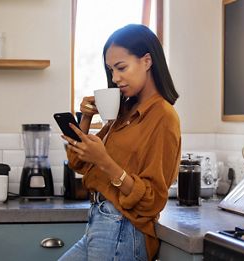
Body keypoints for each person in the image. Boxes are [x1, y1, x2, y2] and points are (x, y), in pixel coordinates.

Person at [59, 24, 181, 261]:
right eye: (110, 70)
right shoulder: (123, 111)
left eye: (121, 67)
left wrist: (104, 161)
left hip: (124, 229)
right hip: (99, 222)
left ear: (147, 61)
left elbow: (153, 200)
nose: (115, 78)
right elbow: (77, 162)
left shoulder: (163, 117)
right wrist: (85, 117)